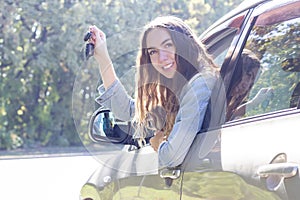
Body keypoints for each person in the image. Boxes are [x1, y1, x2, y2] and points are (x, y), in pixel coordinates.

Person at [88, 16, 219, 168]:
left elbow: (171, 157)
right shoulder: (179, 88)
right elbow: (131, 111)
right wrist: (103, 57)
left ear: (184, 44)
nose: (162, 58)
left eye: (168, 45)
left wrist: (158, 143)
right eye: (153, 52)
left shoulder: (199, 85)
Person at [226, 49, 273, 121]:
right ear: (236, 69)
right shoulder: (211, 94)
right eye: (248, 75)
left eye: (251, 82)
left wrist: (254, 102)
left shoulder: (224, 104)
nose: (247, 85)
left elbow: (230, 116)